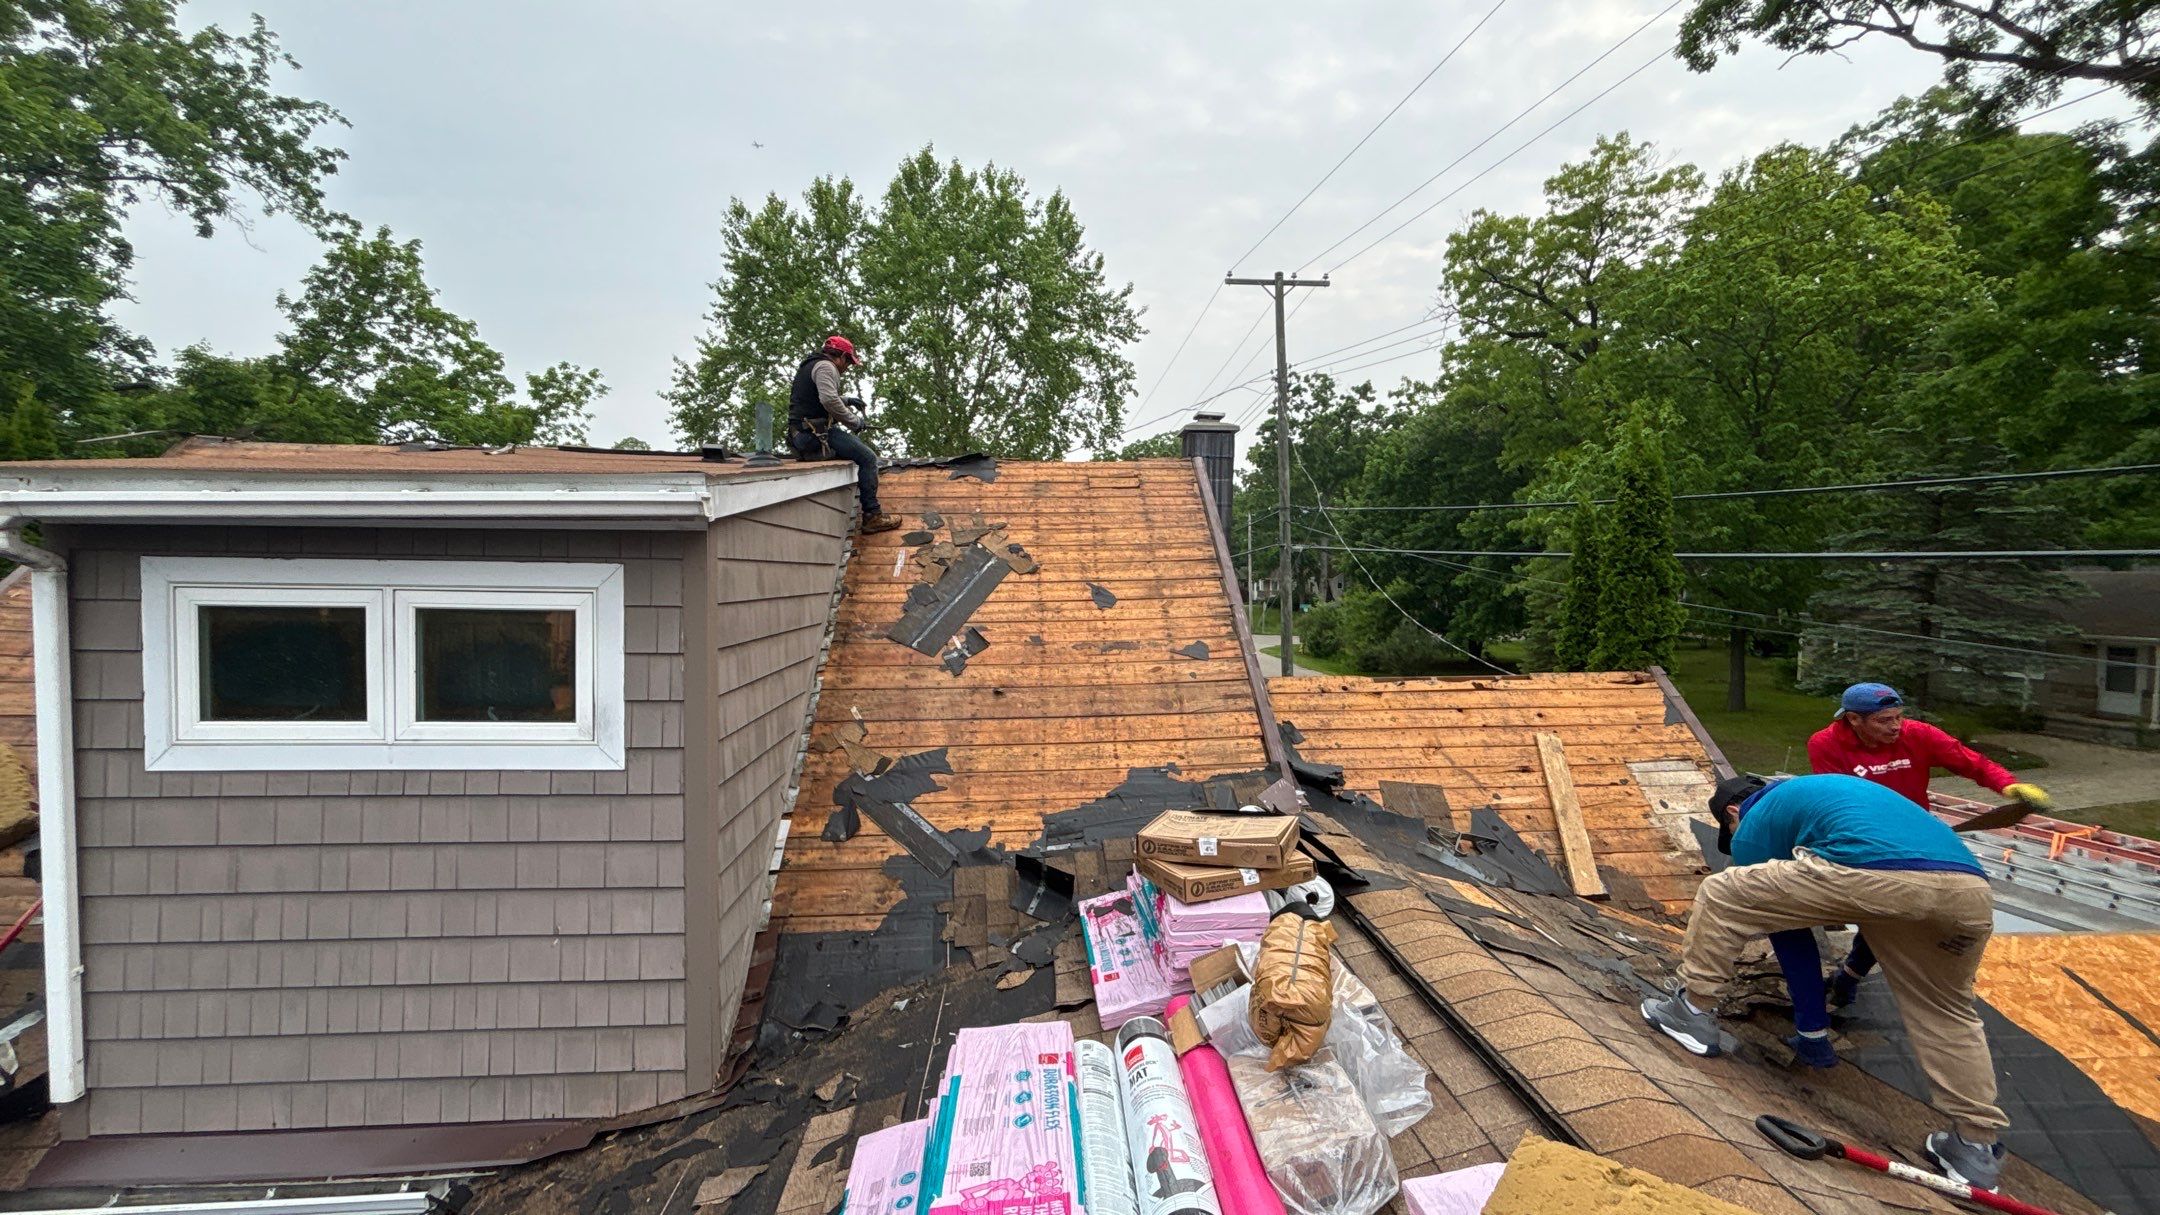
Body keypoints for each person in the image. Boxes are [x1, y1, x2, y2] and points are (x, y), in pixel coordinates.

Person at [1642, 773, 2010, 1190]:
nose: (1736, 840)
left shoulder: (1754, 818)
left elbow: (1790, 937)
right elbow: (1886, 919)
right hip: (1969, 891)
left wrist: (1812, 1029)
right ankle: (1974, 1145)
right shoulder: (1833, 800)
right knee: (1945, 1011)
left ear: (1732, 813)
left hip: (1877, 876)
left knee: (1721, 893)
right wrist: (1850, 974)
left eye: (1731, 830)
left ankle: (1691, 1010)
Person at [1804, 682, 2050, 1011]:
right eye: (1884, 720)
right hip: (1864, 835)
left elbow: (1971, 762)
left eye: (1898, 717)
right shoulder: (1826, 744)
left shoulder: (1918, 735)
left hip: (1915, 833)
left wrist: (2008, 786)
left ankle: (1849, 976)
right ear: (1853, 719)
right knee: (1882, 911)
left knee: (1905, 912)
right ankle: (1846, 977)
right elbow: (1839, 800)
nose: (1896, 726)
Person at [789, 335, 901, 534]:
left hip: (800, 435)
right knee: (868, 459)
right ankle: (873, 516)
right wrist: (854, 421)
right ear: (840, 356)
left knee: (854, 455)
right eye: (848, 362)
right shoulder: (826, 367)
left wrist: (848, 400)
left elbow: (819, 396)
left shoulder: (811, 365)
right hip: (814, 435)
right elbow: (829, 400)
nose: (847, 367)